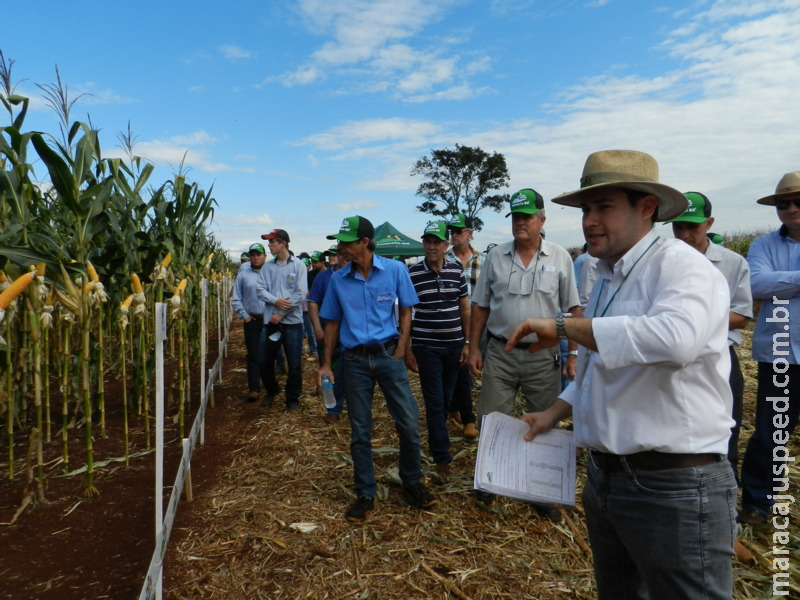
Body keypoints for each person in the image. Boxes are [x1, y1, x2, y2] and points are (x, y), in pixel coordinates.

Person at [510, 149, 736, 599]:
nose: (590, 220)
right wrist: (555, 411)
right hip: (608, 478)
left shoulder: (681, 267)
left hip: (674, 485)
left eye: (604, 207)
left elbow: (674, 341)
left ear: (646, 207)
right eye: (586, 209)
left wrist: (561, 326)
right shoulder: (608, 276)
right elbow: (599, 364)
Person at [467, 188, 581, 517]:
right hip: (501, 351)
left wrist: (572, 354)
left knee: (544, 417)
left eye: (527, 217)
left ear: (542, 220)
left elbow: (573, 308)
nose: (520, 223)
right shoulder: (496, 258)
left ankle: (541, 491)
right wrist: (474, 347)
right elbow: (480, 306)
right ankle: (489, 482)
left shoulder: (559, 257)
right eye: (516, 217)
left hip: (542, 355)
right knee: (492, 418)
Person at [318, 216, 435, 523]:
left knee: (408, 422)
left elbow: (407, 309)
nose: (341, 246)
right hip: (355, 361)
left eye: (347, 241)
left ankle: (411, 481)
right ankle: (366, 492)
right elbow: (331, 322)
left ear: (364, 243)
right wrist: (327, 365)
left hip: (388, 355)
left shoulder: (395, 271)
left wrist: (401, 348)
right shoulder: (337, 280)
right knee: (360, 430)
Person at [669, 191, 752, 482]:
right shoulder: (662, 261)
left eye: (693, 226)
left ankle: (725, 490)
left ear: (709, 223)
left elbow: (741, 316)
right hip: (674, 359)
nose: (685, 234)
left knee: (724, 428)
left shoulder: (732, 263)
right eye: (678, 227)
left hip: (718, 358)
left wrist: (693, 320)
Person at [738, 171, 800, 526]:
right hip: (778, 353)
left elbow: (768, 285)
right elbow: (757, 284)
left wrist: (782, 284)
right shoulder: (763, 245)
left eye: (797, 202)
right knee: (770, 431)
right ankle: (758, 503)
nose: (790, 209)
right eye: (783, 203)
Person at [406, 221, 470, 483]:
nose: (431, 247)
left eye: (436, 242)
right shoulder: (412, 274)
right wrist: (408, 347)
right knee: (434, 401)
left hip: (454, 345)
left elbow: (465, 308)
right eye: (427, 242)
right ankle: (441, 456)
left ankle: (438, 437)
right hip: (426, 346)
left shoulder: (457, 271)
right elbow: (407, 313)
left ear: (446, 245)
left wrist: (467, 343)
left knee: (445, 398)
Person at [257, 228, 308, 411]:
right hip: (271, 323)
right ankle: (272, 389)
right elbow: (260, 290)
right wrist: (275, 301)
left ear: (283, 243)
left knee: (294, 364)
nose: (269, 245)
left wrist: (281, 313)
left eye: (272, 242)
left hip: (292, 323)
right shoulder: (268, 267)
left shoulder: (298, 266)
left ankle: (292, 399)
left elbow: (300, 293)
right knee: (264, 361)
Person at [445, 213, 481, 439]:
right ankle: (464, 415)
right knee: (458, 369)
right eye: (452, 232)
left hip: (477, 323)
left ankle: (458, 410)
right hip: (451, 324)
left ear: (470, 234)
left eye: (459, 231)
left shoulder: (484, 260)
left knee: (467, 368)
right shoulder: (445, 258)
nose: (455, 235)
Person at [308, 251, 350, 423]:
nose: (341, 257)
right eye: (338, 254)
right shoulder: (324, 277)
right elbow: (312, 302)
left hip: (350, 336)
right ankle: (332, 408)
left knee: (352, 375)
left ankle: (353, 408)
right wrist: (317, 328)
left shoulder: (356, 275)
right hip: (329, 334)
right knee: (329, 373)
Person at [230, 243, 269, 402]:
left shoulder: (271, 273)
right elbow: (236, 298)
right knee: (253, 355)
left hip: (269, 320)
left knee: (268, 355)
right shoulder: (243, 275)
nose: (255, 257)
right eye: (252, 255)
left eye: (258, 254)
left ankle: (269, 386)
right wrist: (244, 316)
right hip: (252, 320)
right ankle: (254, 388)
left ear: (265, 256)